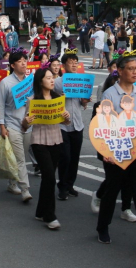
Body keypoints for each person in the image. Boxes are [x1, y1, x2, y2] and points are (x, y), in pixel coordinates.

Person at [97, 55, 136, 250]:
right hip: (116, 153)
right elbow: (104, 124)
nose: (135, 72)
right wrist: (106, 151)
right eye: (131, 68)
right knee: (111, 192)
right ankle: (103, 227)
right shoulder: (110, 94)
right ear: (119, 71)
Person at [23, 68, 71, 229]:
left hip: (56, 140)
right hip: (39, 140)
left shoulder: (58, 98)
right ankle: (50, 216)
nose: (52, 80)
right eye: (48, 78)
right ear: (40, 81)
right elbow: (24, 125)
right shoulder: (32, 100)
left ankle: (40, 210)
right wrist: (27, 121)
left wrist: (66, 118)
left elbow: (65, 122)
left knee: (47, 178)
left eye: (53, 78)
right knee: (50, 177)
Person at [0, 48, 33, 202]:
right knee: (20, 159)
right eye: (19, 61)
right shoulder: (6, 82)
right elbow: (0, 106)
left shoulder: (30, 80)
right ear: (12, 65)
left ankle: (12, 183)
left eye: (25, 60)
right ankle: (25, 190)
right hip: (12, 124)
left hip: (28, 125)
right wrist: (2, 127)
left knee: (20, 157)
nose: (24, 63)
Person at [54, 50, 88, 200]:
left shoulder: (81, 80)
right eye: (71, 62)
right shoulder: (56, 83)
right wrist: (61, 98)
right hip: (62, 125)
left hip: (77, 124)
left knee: (75, 157)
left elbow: (82, 102)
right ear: (63, 65)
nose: (74, 64)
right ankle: (62, 185)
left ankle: (70, 184)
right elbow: (50, 101)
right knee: (65, 157)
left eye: (76, 62)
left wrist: (85, 100)